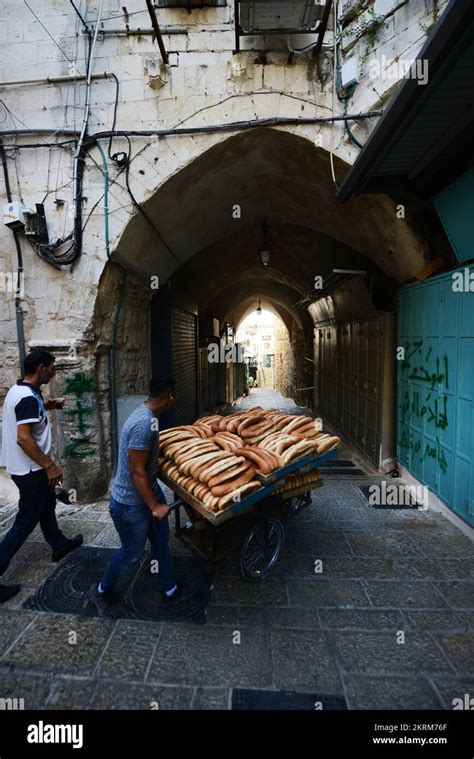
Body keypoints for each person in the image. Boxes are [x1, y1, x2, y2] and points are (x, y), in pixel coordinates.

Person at [89, 377, 178, 617]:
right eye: (174, 395)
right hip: (130, 504)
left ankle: (169, 588)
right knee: (131, 551)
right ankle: (100, 590)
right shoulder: (143, 424)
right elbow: (137, 472)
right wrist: (154, 507)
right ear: (169, 395)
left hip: (147, 492)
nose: (174, 400)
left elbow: (145, 467)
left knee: (160, 540)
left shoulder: (149, 417)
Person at [0, 350, 83, 603]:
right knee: (25, 521)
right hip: (31, 470)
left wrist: (49, 405)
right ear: (40, 368)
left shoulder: (20, 390)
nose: (53, 371)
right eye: (51, 367)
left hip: (25, 468)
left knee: (47, 505)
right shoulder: (26, 397)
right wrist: (49, 466)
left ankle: (58, 545)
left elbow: (27, 413)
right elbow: (23, 437)